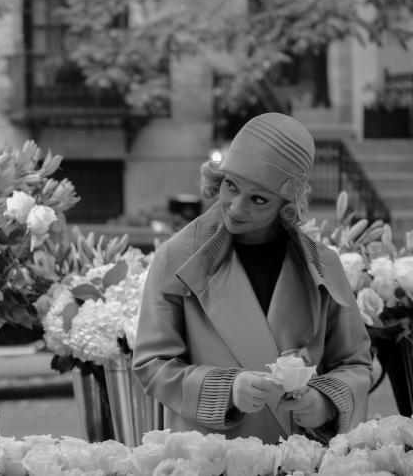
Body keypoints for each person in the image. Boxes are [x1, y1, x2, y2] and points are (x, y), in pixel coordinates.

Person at [132, 112, 373, 445]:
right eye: (231, 186)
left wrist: (327, 403)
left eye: (258, 199)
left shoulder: (324, 265)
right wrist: (226, 389)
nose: (235, 207)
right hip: (211, 459)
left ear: (286, 205)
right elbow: (151, 364)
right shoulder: (175, 257)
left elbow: (356, 364)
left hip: (302, 460)